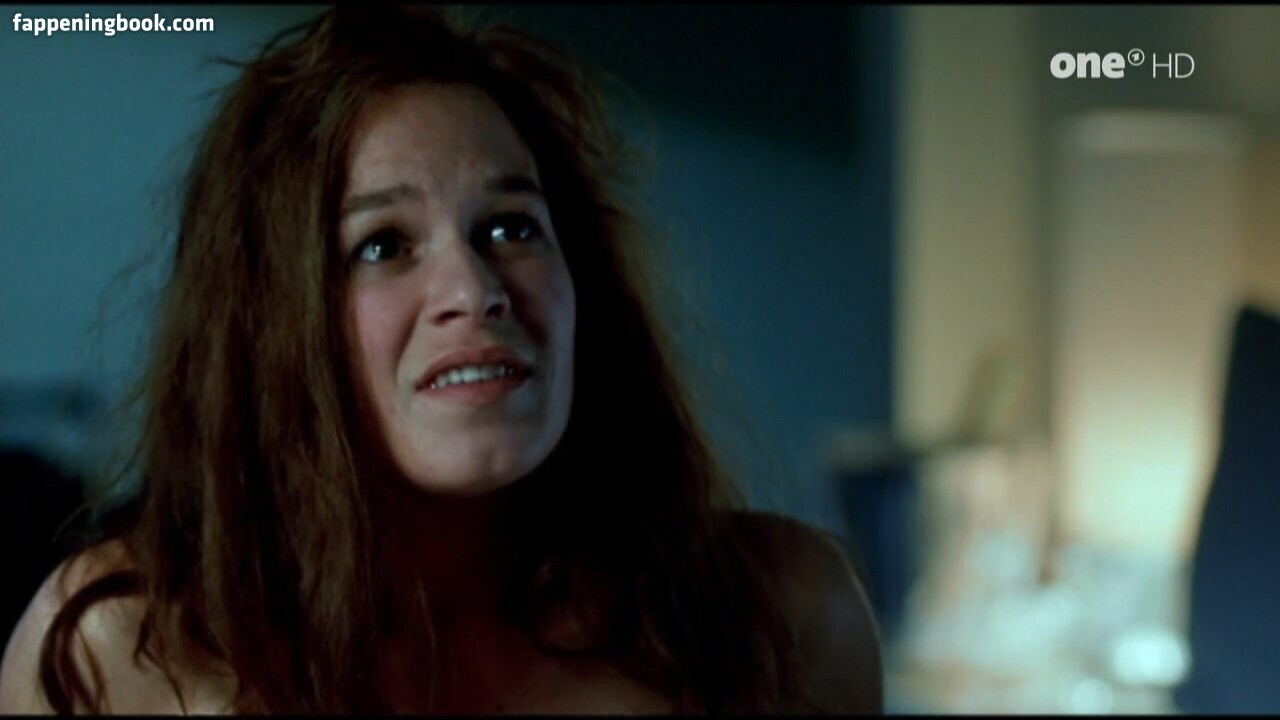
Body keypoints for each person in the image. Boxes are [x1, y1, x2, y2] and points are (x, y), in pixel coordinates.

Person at [0, 5, 882, 714]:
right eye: (383, 245)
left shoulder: (789, 617)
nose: (475, 289)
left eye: (511, 227)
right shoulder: (116, 650)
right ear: (271, 323)